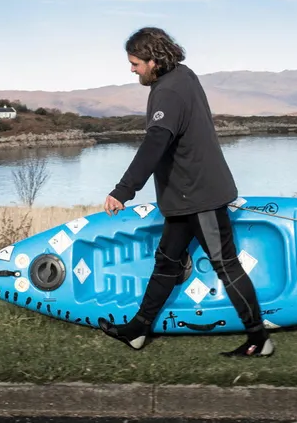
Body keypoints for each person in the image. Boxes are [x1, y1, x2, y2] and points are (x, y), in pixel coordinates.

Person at [97, 26, 274, 358]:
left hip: (198, 194)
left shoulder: (169, 92)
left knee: (225, 264)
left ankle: (258, 338)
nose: (132, 69)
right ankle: (138, 329)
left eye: (135, 62)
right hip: (183, 195)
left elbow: (155, 143)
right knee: (167, 262)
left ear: (153, 60)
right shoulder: (181, 75)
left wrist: (123, 190)